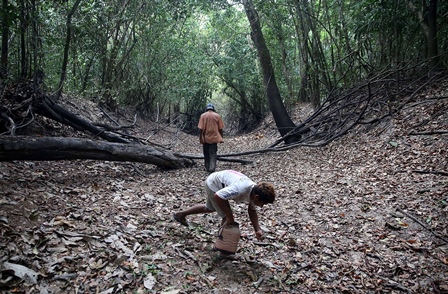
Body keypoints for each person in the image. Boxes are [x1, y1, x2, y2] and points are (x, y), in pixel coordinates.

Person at [173, 170, 276, 241]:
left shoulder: (255, 191)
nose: (262, 206)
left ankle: (180, 214)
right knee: (226, 218)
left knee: (209, 208)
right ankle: (222, 247)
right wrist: (229, 216)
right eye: (263, 203)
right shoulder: (240, 188)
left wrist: (257, 229)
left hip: (218, 182)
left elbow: (252, 211)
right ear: (257, 197)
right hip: (214, 184)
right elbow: (219, 196)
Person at [198, 103, 224, 172]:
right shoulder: (217, 116)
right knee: (213, 153)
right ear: (213, 108)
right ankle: (212, 168)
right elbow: (220, 129)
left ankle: (207, 167)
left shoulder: (203, 116)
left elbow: (201, 129)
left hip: (206, 138)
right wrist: (221, 137)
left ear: (206, 108)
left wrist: (201, 137)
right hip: (214, 138)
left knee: (206, 153)